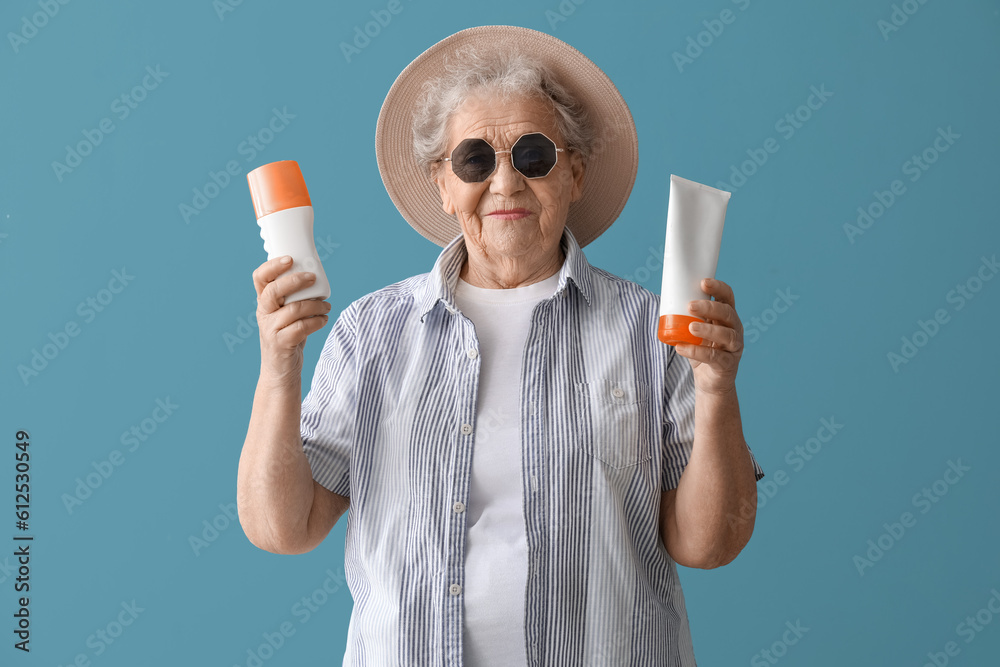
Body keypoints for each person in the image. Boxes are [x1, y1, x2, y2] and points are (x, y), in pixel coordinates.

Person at [237, 25, 764, 667]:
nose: (506, 182)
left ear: (574, 171)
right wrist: (279, 364)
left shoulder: (648, 331)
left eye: (534, 155)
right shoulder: (370, 334)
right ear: (443, 183)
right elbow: (282, 528)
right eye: (475, 159)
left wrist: (715, 389)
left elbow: (708, 544)